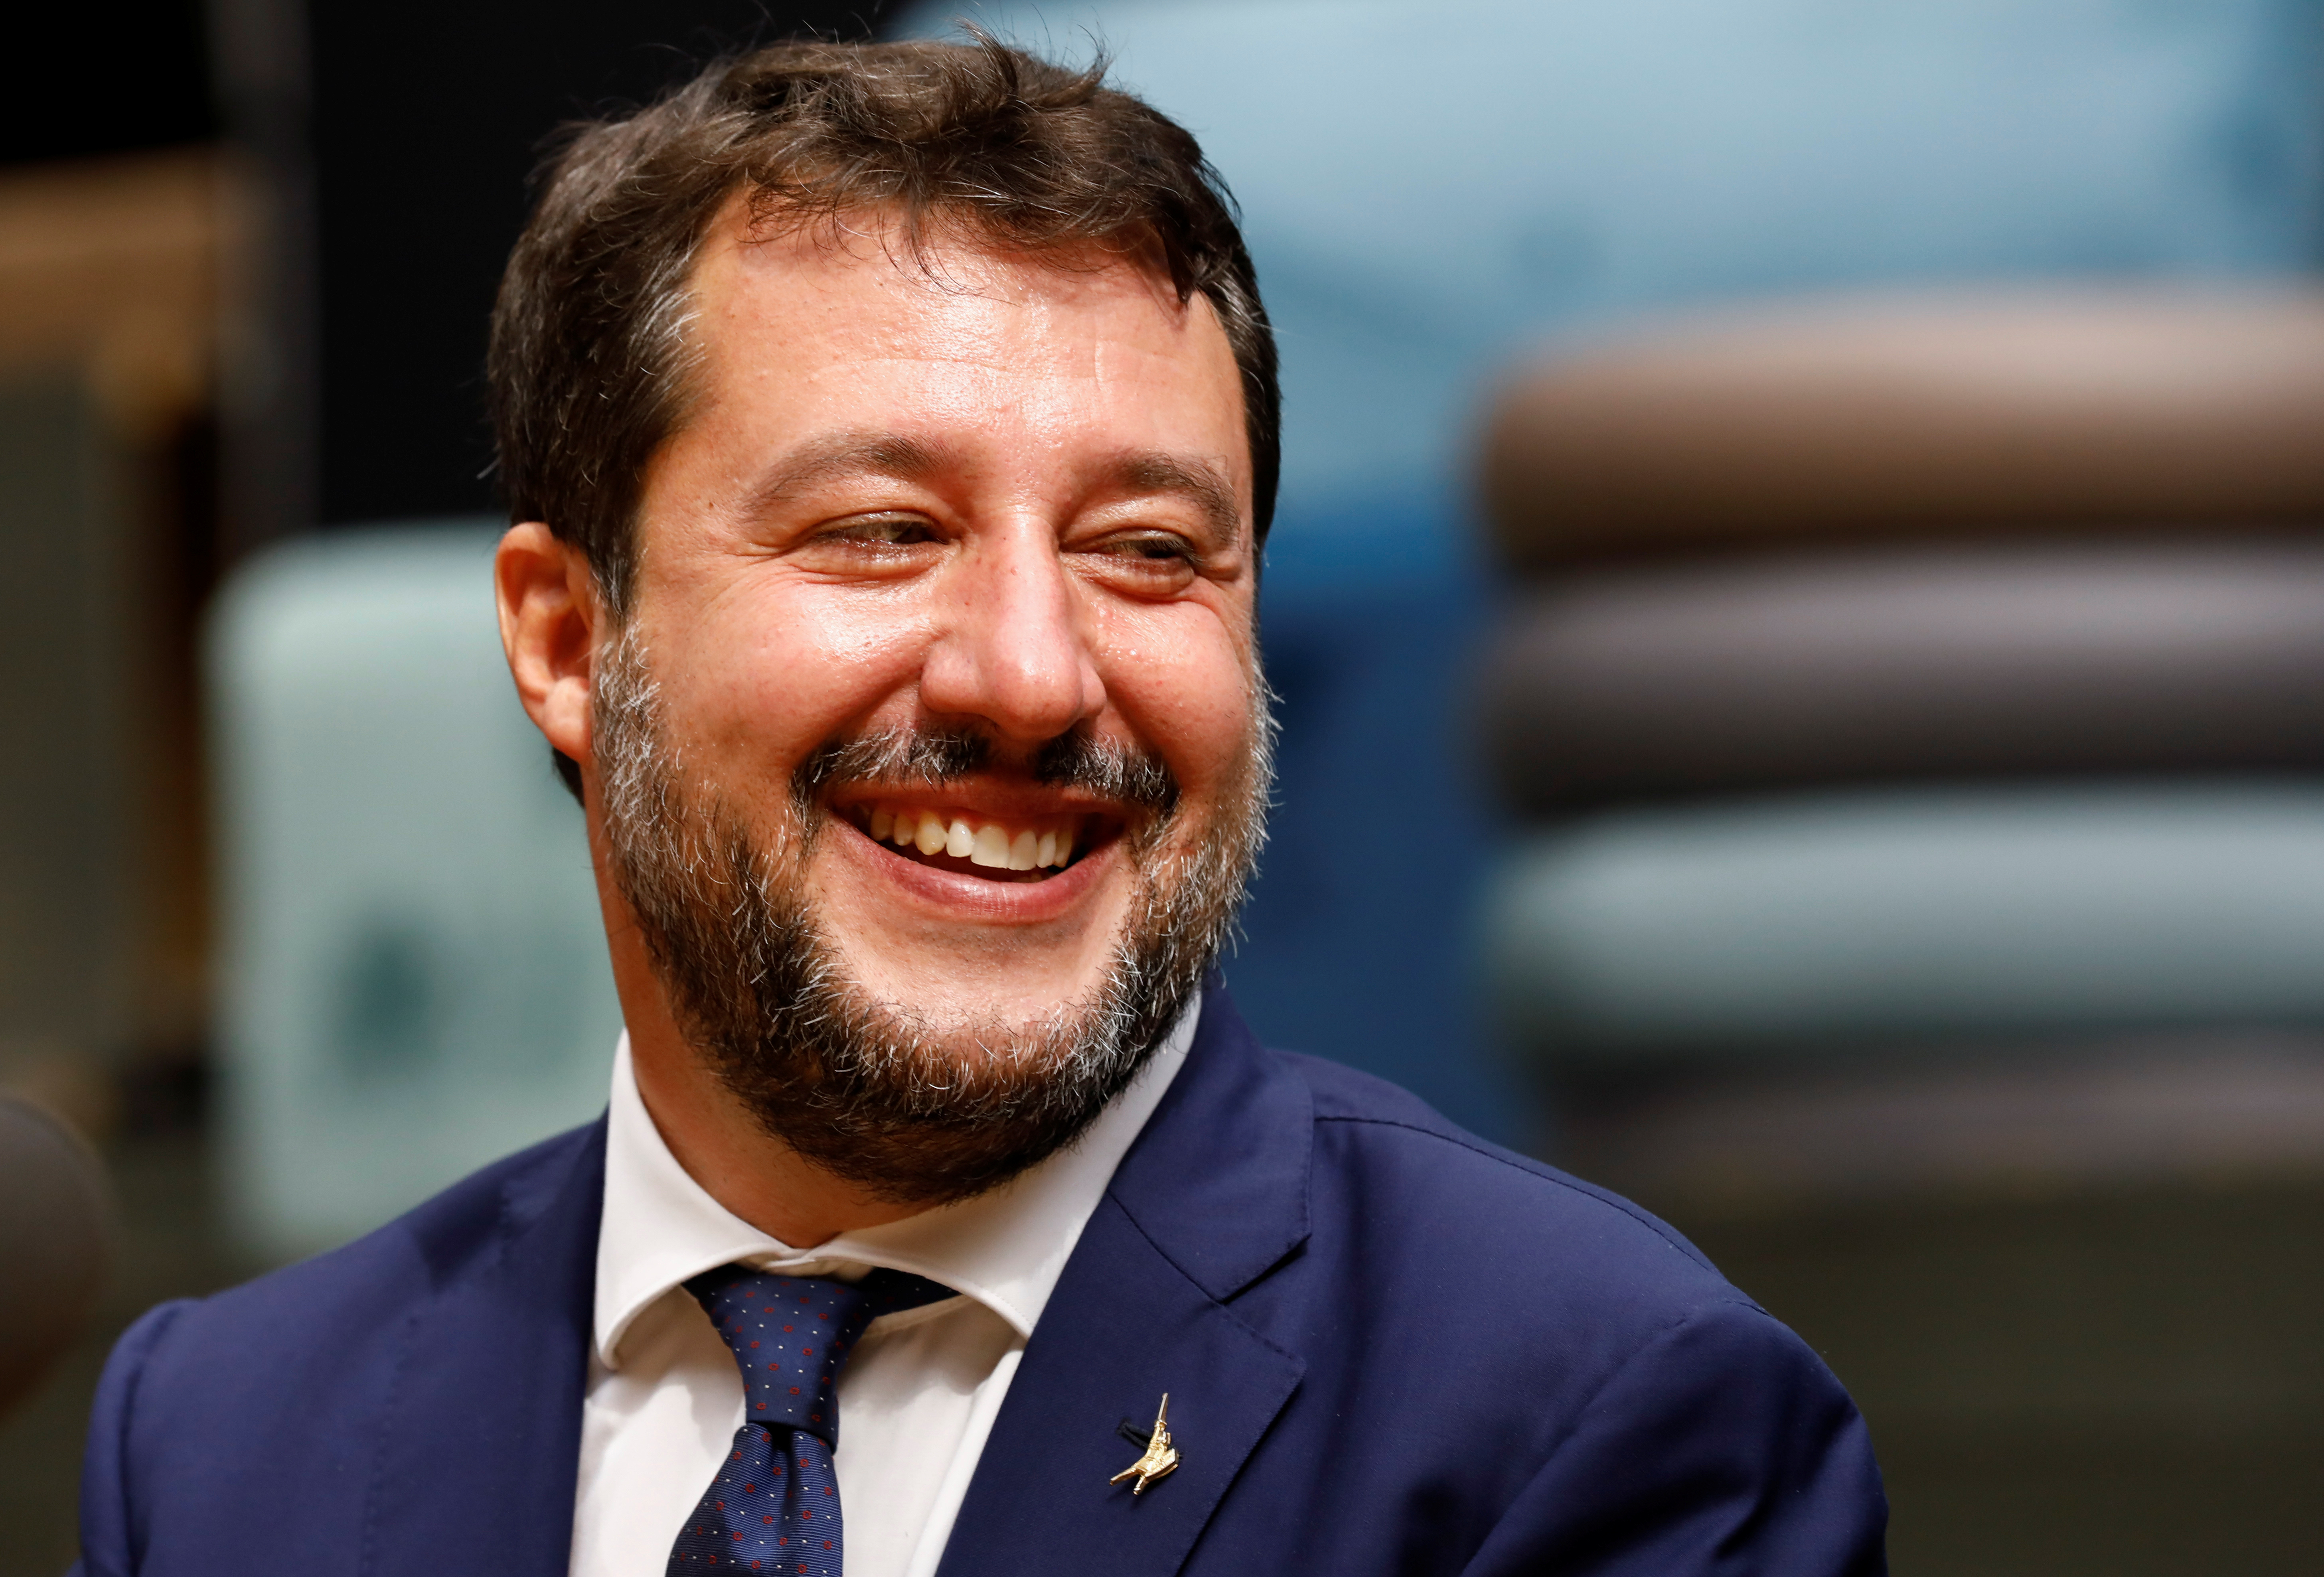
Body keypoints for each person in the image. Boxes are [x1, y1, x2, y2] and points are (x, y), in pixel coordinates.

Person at [74, 36, 1885, 1577]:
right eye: (883, 530)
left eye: (1147, 551)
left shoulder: (1584, 1417)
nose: (1029, 673)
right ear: (566, 636)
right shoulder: (223, 1448)